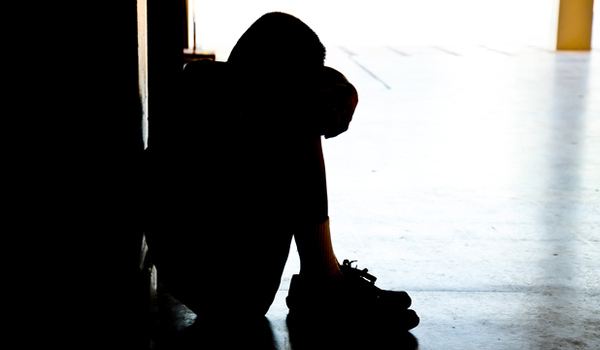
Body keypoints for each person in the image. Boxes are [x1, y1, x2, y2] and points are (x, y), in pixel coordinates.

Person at [145, 12, 418, 331]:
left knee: (298, 115)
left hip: (227, 268)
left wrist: (342, 96)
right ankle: (323, 281)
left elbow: (328, 84)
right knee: (298, 122)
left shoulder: (211, 81)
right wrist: (318, 109)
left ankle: (320, 279)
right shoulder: (207, 110)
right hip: (226, 290)